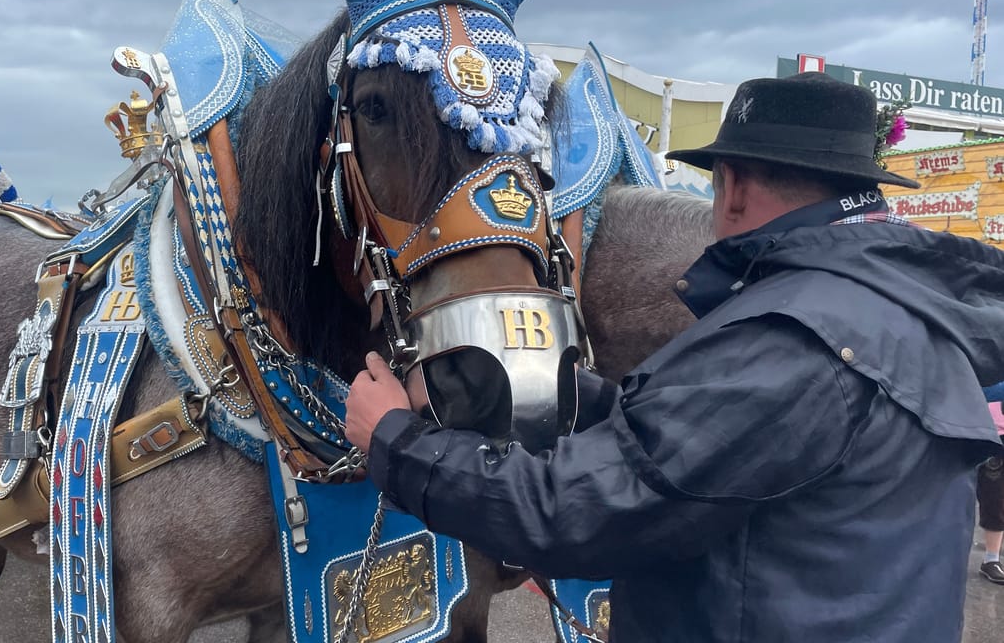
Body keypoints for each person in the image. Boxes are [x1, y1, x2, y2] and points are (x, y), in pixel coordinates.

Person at [345, 73, 1004, 642]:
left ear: (736, 187)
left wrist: (393, 441)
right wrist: (548, 383)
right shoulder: (909, 314)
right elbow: (701, 448)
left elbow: (571, 513)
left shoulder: (790, 337)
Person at [980, 380, 1004, 584]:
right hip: (983, 431)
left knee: (996, 499)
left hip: (998, 435)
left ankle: (992, 559)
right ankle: (991, 559)